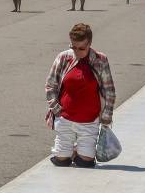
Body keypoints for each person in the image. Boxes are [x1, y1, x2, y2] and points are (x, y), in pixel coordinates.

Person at [45, 23, 116, 168]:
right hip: (65, 118)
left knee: (85, 163)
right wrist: (57, 110)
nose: (77, 51)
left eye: (81, 48)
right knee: (61, 162)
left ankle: (79, 152)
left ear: (89, 43)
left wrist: (106, 118)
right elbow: (50, 85)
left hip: (89, 121)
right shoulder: (64, 57)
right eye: (73, 47)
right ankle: (66, 153)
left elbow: (109, 90)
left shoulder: (100, 60)